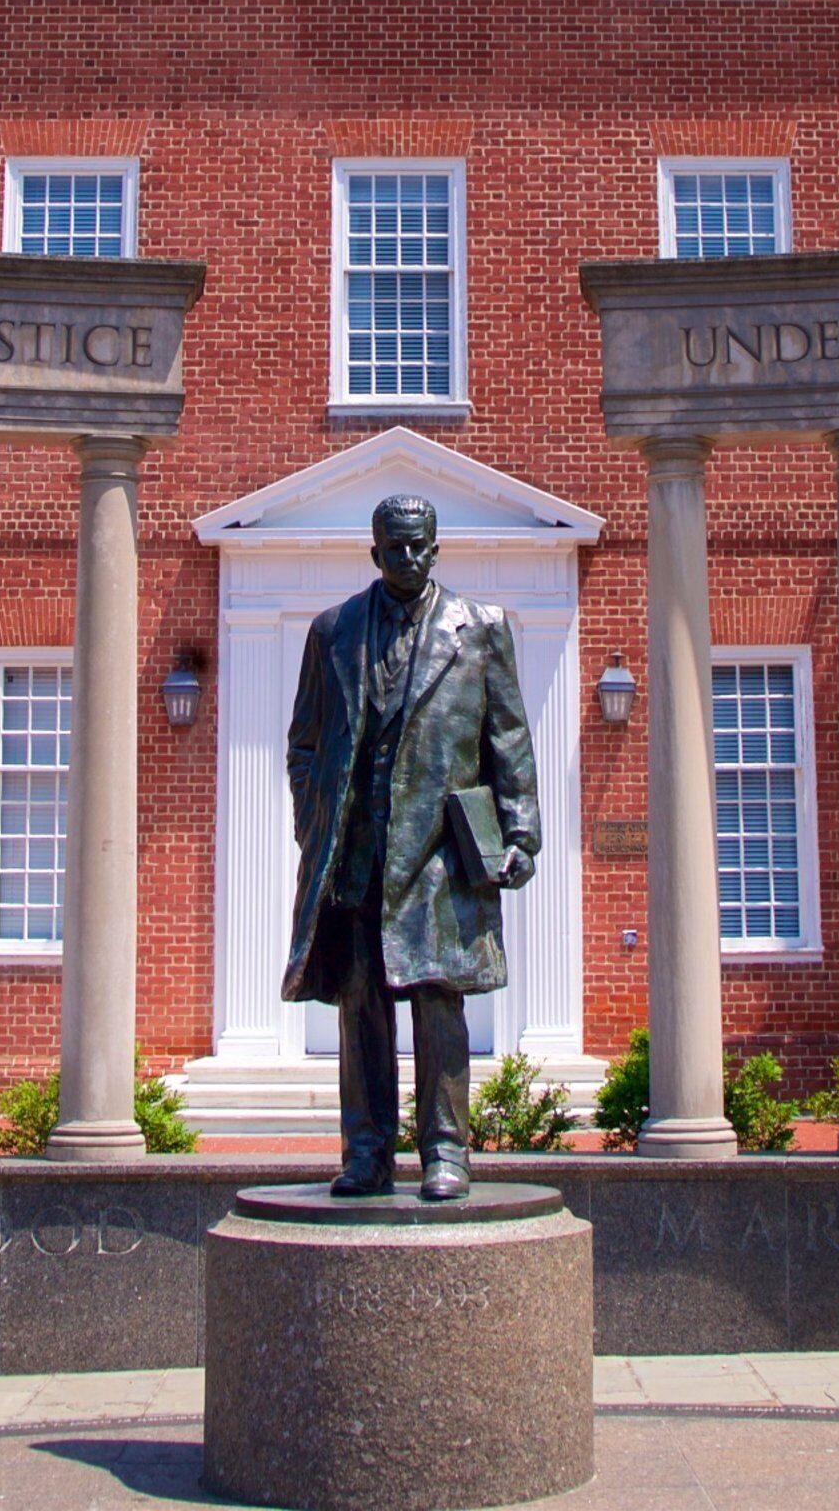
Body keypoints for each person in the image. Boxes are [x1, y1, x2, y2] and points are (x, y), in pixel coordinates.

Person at [280, 494, 541, 1200]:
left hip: (439, 850)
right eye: (394, 548)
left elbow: (508, 738)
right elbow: (304, 743)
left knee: (437, 999)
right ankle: (366, 1153)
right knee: (361, 1002)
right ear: (374, 552)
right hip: (358, 850)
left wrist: (520, 832)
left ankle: (445, 1152)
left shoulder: (480, 629)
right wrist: (317, 821)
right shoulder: (332, 631)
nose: (409, 559)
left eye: (420, 546)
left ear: (436, 546)